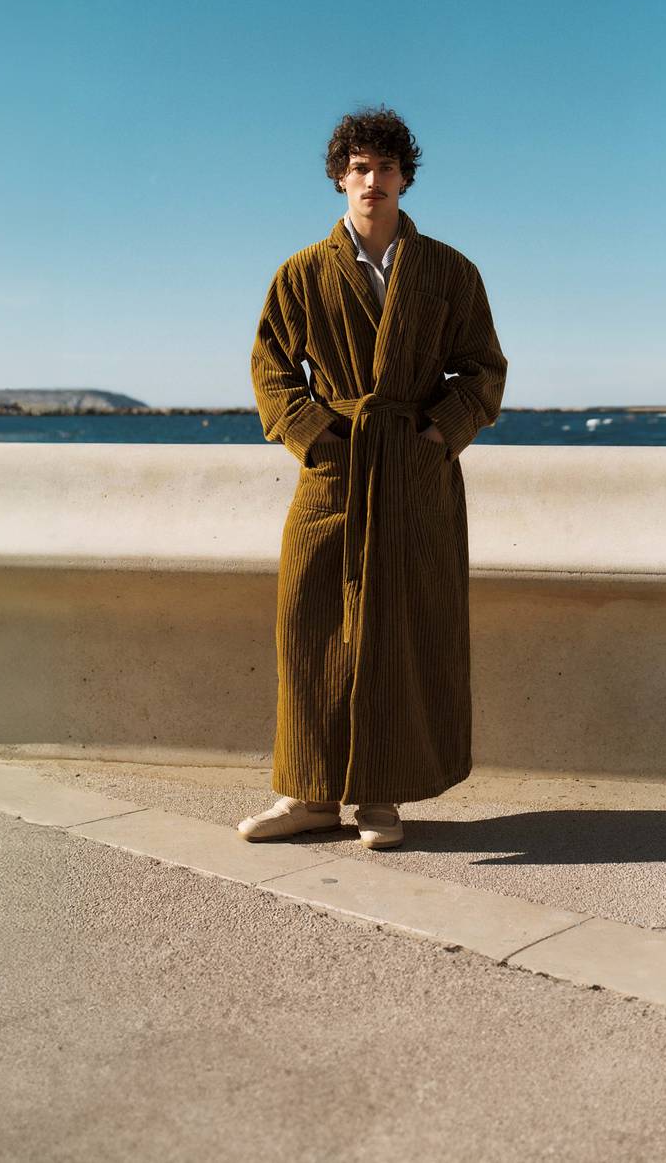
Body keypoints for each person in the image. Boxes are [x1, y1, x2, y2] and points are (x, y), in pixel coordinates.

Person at [240, 105, 507, 850]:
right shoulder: (301, 273)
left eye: (386, 168)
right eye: (359, 167)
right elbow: (270, 368)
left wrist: (433, 435)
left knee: (403, 632)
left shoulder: (450, 271)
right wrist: (316, 435)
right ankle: (309, 792)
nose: (373, 180)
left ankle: (382, 796)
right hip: (335, 476)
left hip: (413, 477)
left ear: (405, 179)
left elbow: (485, 371)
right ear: (339, 179)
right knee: (311, 628)